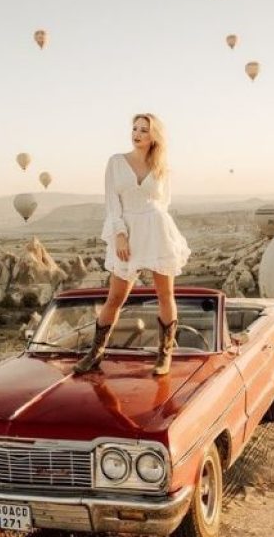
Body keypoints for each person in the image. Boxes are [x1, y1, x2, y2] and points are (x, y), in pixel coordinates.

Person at [73, 113, 191, 375]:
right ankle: (95, 353)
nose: (137, 134)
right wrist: (120, 234)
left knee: (165, 294)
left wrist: (154, 224)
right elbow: (112, 202)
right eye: (135, 128)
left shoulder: (163, 168)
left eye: (144, 130)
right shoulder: (116, 162)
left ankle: (164, 356)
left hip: (156, 229)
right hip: (127, 231)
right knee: (115, 296)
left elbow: (164, 203)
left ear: (154, 137)